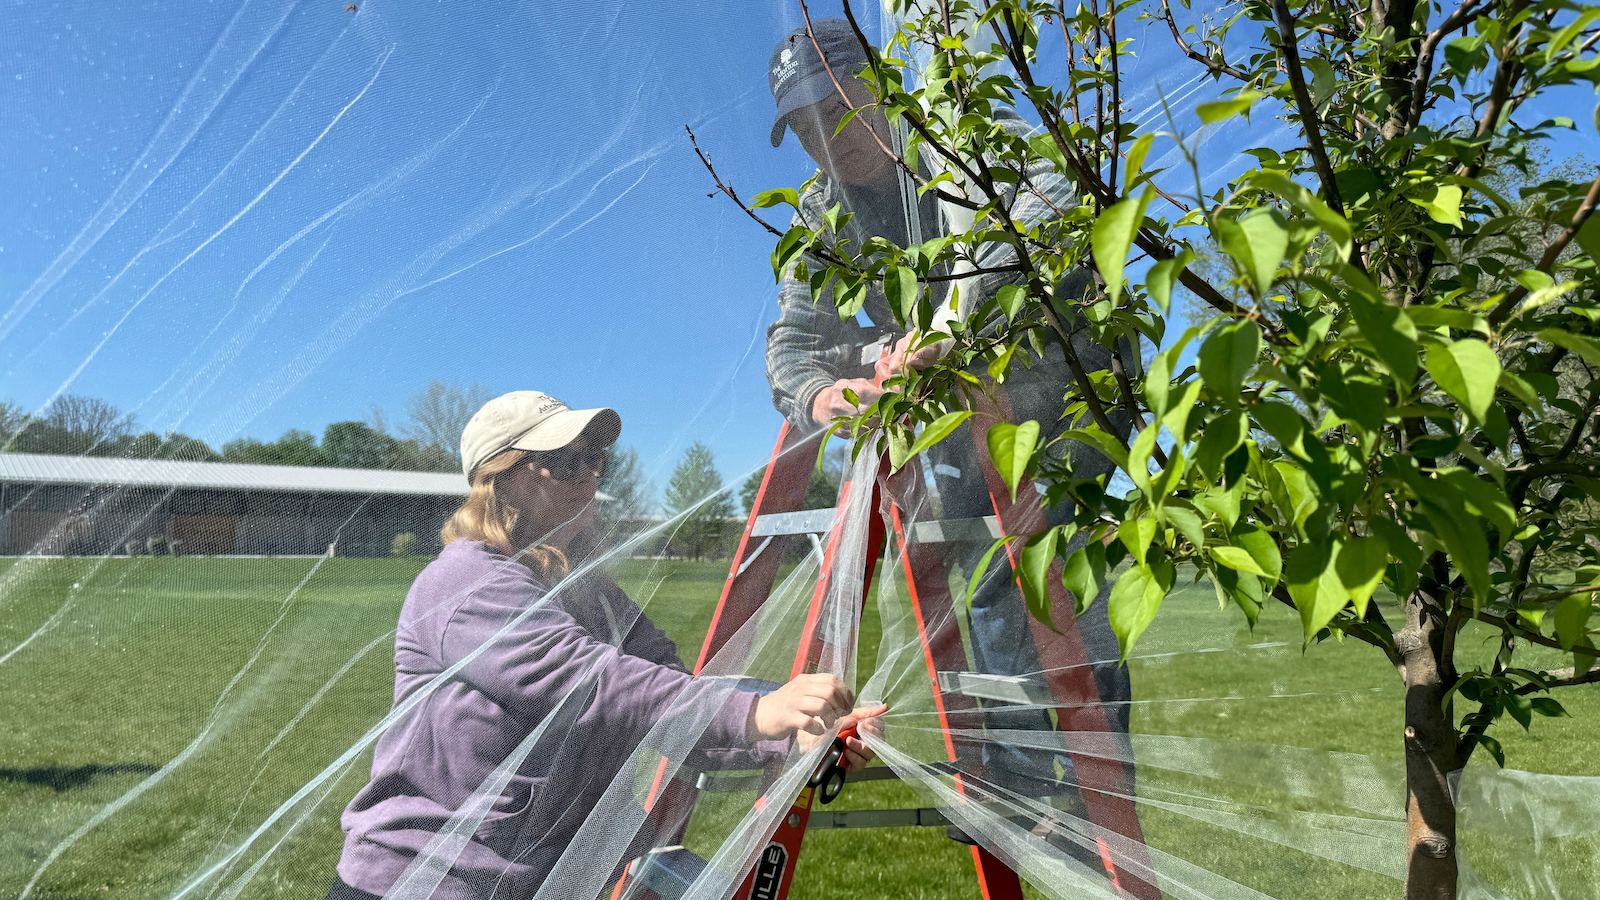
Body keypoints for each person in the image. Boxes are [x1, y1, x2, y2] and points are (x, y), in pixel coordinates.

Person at [763, 18, 1140, 868]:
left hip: (1062, 389)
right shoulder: (823, 214)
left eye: (839, 106)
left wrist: (952, 328)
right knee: (981, 594)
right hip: (962, 420)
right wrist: (827, 392)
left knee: (1063, 585)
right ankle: (1024, 793)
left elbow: (1048, 209)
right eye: (807, 126)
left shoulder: (961, 138)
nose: (828, 137)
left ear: (882, 89)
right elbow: (792, 342)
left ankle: (1096, 799)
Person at [329, 391, 883, 899]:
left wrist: (800, 736)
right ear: (508, 479)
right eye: (571, 461)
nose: (590, 478)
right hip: (419, 882)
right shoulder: (464, 581)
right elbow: (591, 684)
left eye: (597, 459)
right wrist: (756, 712)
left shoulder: (592, 595)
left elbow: (669, 702)